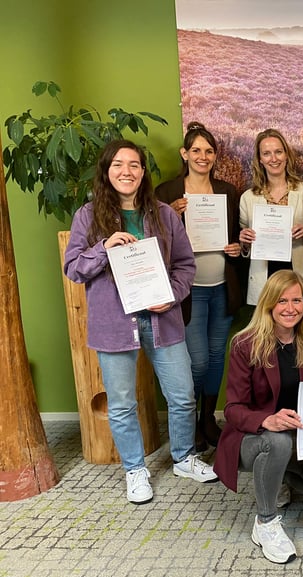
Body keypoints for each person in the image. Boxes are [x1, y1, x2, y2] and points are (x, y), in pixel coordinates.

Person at [63, 139, 217, 505]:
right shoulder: (88, 216)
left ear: (143, 172)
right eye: (118, 164)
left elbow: (185, 265)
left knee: (182, 396)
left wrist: (173, 295)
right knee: (121, 404)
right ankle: (134, 469)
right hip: (115, 325)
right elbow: (73, 268)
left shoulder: (164, 214)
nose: (126, 171)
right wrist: (104, 248)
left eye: (134, 165)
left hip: (163, 320)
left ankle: (183, 457)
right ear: (107, 171)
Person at [214, 270, 303, 564]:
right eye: (282, 300)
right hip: (252, 437)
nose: (290, 308)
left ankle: (277, 474)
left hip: (297, 433)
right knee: (278, 442)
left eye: (297, 300)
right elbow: (233, 409)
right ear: (269, 304)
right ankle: (266, 523)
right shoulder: (244, 344)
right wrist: (266, 420)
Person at [156, 122, 243, 451]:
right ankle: (190, 420)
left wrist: (237, 248)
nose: (203, 156)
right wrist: (172, 219)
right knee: (199, 361)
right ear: (185, 153)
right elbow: (155, 244)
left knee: (217, 356)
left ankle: (209, 418)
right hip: (189, 292)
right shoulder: (166, 194)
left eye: (209, 151)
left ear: (215, 155)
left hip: (222, 286)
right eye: (196, 150)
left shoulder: (227, 191)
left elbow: (235, 238)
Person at [239, 128, 303, 306]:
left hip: (300, 275)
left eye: (278, 152)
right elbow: (244, 247)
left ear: (286, 155)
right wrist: (244, 242)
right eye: (266, 153)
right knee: (265, 333)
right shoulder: (248, 198)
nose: (273, 159)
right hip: (264, 279)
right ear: (260, 159)